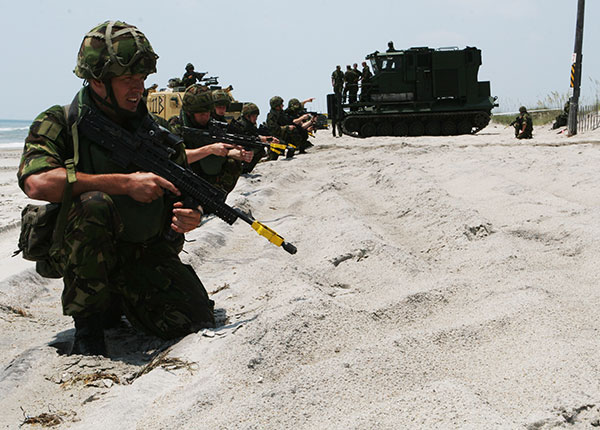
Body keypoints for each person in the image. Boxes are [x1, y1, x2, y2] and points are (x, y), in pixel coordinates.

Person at [17, 21, 216, 356]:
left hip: (144, 252)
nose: (138, 88)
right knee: (93, 202)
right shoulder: (61, 122)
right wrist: (124, 184)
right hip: (85, 252)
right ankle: (89, 326)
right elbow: (37, 184)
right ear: (97, 80)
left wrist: (191, 213)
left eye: (142, 80)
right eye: (127, 80)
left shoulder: (157, 133)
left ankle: (118, 296)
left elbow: (185, 189)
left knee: (192, 319)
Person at [170, 84, 252, 195]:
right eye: (202, 113)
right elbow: (174, 157)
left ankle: (214, 197)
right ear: (189, 112)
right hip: (182, 180)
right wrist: (209, 149)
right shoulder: (176, 126)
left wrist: (233, 152)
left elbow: (220, 148)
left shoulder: (213, 126)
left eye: (208, 112)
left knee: (233, 163)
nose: (206, 117)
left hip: (206, 179)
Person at [227, 102, 280, 174]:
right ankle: (243, 170)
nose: (256, 118)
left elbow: (254, 136)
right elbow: (247, 138)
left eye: (256, 116)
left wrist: (268, 139)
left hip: (240, 148)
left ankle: (244, 170)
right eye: (254, 116)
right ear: (247, 116)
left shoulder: (248, 124)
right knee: (258, 148)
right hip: (233, 150)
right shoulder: (241, 125)